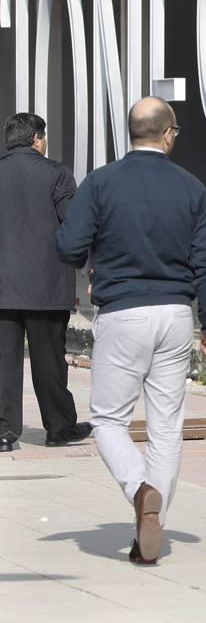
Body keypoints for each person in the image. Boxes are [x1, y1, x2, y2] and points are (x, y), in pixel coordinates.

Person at [56, 97, 206, 565]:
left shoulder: (101, 183)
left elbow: (70, 246)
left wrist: (94, 257)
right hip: (174, 314)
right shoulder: (191, 188)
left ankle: (139, 490)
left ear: (130, 133)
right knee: (166, 427)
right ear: (168, 133)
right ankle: (152, 522)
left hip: (122, 313)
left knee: (109, 420)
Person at [0, 113, 91, 453]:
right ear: (37, 138)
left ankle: (5, 432)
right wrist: (81, 264)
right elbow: (74, 225)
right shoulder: (56, 173)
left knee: (4, 362)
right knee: (49, 360)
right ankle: (59, 427)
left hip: (2, 288)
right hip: (47, 287)